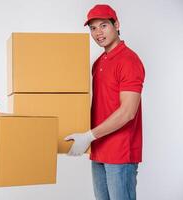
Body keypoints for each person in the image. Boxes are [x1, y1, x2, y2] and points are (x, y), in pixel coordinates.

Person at [65, 4, 145, 200]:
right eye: (93, 28)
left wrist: (89, 135)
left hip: (120, 154)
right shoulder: (99, 63)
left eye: (103, 25)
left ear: (116, 25)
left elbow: (128, 112)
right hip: (98, 150)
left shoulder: (129, 60)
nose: (98, 33)